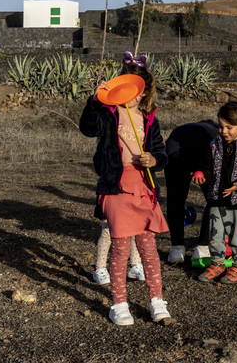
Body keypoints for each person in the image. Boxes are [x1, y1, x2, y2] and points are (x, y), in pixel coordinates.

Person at [79, 55, 173, 326]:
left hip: (143, 190)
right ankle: (119, 303)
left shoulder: (150, 119)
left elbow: (161, 153)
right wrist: (95, 101)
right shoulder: (108, 116)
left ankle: (157, 301)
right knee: (120, 249)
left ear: (143, 92)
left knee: (149, 249)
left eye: (136, 90)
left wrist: (154, 160)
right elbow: (88, 128)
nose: (130, 95)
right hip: (116, 189)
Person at [193, 101, 237, 284]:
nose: (224, 131)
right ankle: (217, 263)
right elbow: (206, 166)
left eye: (229, 127)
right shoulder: (213, 145)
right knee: (215, 235)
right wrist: (202, 174)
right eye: (221, 127)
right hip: (216, 198)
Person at [164, 120, 219, 264]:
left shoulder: (185, 127)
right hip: (202, 152)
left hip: (174, 150)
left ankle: (177, 248)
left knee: (175, 199)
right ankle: (202, 248)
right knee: (214, 199)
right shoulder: (216, 133)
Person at [91, 142, 147, 283]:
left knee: (135, 228)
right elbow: (99, 166)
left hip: (133, 191)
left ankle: (134, 264)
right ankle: (100, 268)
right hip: (111, 192)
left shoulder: (137, 141)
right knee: (108, 231)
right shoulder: (106, 143)